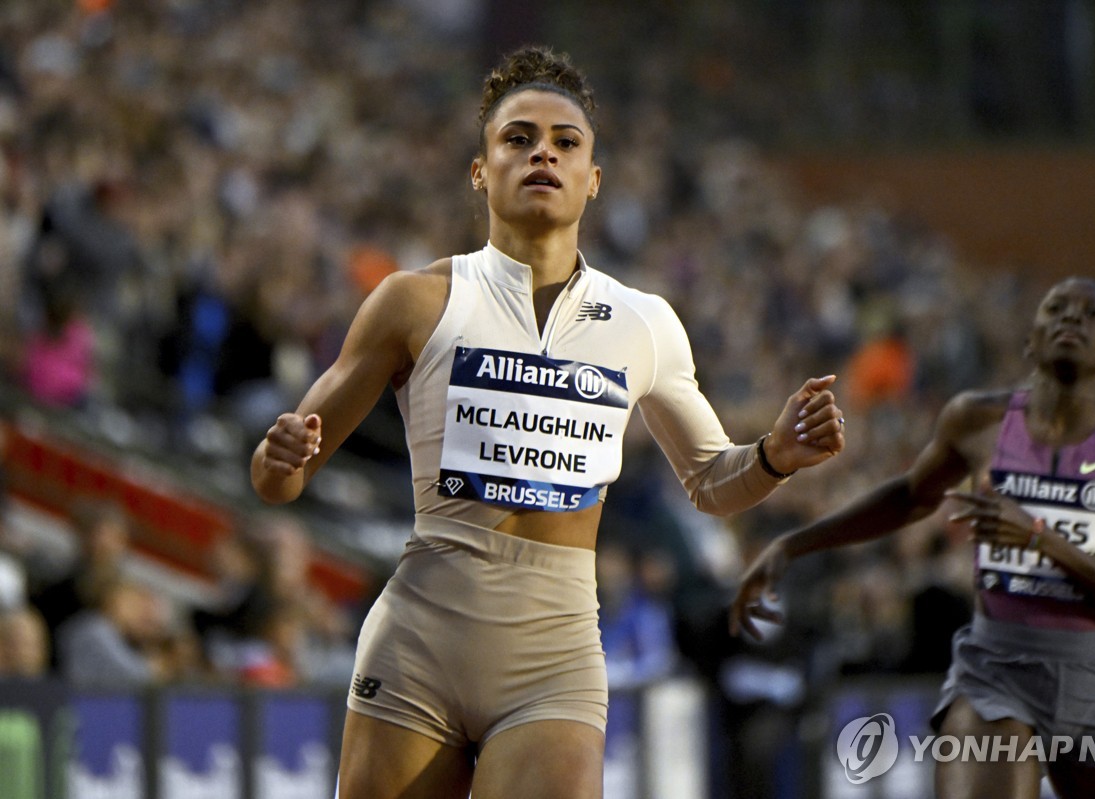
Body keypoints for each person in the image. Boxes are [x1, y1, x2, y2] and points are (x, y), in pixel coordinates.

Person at [250, 45, 846, 799]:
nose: (544, 154)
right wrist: (278, 458)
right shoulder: (415, 301)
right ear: (480, 170)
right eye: (518, 138)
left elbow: (711, 482)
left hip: (554, 654)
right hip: (421, 636)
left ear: (593, 179)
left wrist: (774, 454)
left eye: (566, 143)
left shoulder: (644, 322)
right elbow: (280, 477)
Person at [731, 276, 1095, 799]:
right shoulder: (978, 420)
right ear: (1031, 341)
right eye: (1056, 309)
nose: (1071, 320)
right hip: (997, 667)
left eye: (1090, 314)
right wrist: (792, 545)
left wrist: (1040, 540)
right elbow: (909, 496)